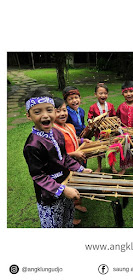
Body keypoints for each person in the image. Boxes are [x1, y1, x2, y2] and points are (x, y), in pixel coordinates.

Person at [23, 88, 92, 228]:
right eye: (37, 112)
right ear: (28, 116)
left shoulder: (57, 133)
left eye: (49, 110)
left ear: (54, 111)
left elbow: (64, 157)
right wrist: (62, 190)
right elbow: (38, 176)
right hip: (49, 196)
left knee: (67, 219)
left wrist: (80, 169)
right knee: (54, 225)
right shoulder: (32, 145)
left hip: (67, 184)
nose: (45, 116)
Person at [53, 97, 92, 225]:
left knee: (76, 189)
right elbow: (55, 155)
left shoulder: (69, 126)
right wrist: (74, 153)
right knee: (66, 195)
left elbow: (74, 138)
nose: (62, 113)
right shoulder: (53, 131)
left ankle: (76, 205)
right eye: (57, 111)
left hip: (75, 164)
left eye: (64, 110)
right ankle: (69, 218)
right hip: (64, 167)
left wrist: (82, 141)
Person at [87, 83, 116, 172]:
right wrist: (92, 122)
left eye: (105, 93)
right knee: (99, 150)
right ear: (95, 94)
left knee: (111, 149)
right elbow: (89, 118)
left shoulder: (110, 106)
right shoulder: (93, 107)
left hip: (109, 132)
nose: (103, 95)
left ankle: (112, 166)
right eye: (100, 93)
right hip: (98, 133)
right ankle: (99, 166)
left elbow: (114, 116)